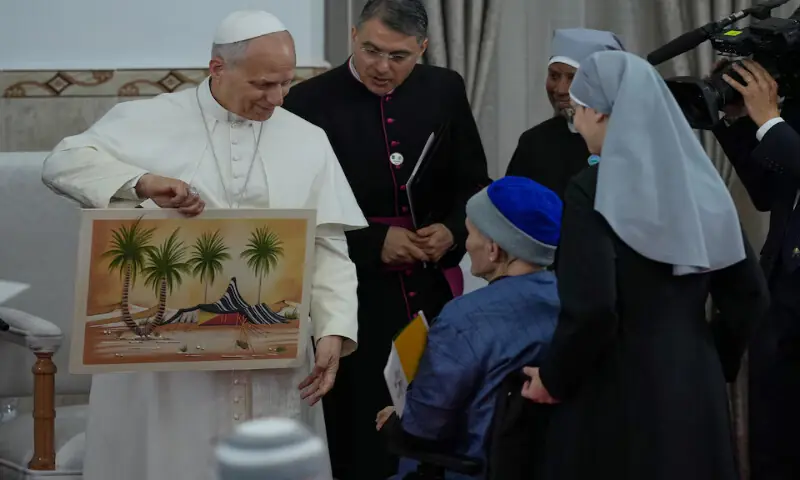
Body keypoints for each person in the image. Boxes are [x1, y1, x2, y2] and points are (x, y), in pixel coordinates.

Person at [40, 10, 367, 480]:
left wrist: (334, 328)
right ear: (217, 69)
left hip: (270, 354)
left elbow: (328, 244)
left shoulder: (307, 139)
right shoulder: (145, 118)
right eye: (262, 85)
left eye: (285, 84)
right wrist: (141, 182)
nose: (276, 99)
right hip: (165, 367)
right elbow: (61, 163)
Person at [520, 51, 770, 480]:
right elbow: (750, 294)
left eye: (577, 111)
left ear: (598, 111)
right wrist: (713, 358)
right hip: (696, 388)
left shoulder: (591, 188)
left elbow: (594, 309)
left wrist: (554, 379)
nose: (576, 125)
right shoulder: (700, 180)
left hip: (620, 389)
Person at [282, 0, 491, 477]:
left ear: (422, 48)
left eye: (399, 56)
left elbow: (473, 181)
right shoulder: (308, 102)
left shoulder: (444, 88)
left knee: (439, 421)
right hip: (354, 299)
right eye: (372, 50)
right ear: (354, 36)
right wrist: (374, 241)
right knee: (361, 434)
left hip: (431, 290)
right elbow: (297, 211)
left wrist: (453, 230)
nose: (382, 66)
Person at [375, 176, 562, 480]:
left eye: (471, 232)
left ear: (494, 248)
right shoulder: (573, 304)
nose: (466, 242)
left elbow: (423, 426)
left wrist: (397, 419)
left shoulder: (463, 319)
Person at [711, 58, 800, 480]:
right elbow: (770, 190)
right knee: (773, 445)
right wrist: (736, 121)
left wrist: (770, 122)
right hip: (781, 294)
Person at [505, 28, 624, 199]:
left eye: (573, 78)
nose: (561, 89)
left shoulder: (630, 143)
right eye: (554, 76)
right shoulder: (534, 142)